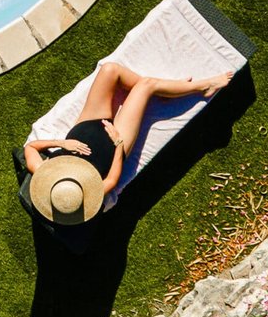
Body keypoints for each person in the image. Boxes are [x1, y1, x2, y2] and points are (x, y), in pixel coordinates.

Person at [20, 63, 233, 227]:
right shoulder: (89, 194)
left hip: (86, 125)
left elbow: (30, 147)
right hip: (112, 144)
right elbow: (113, 178)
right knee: (146, 85)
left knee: (110, 70)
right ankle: (202, 87)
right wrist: (119, 143)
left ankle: (165, 91)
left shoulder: (44, 172)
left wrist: (61, 142)